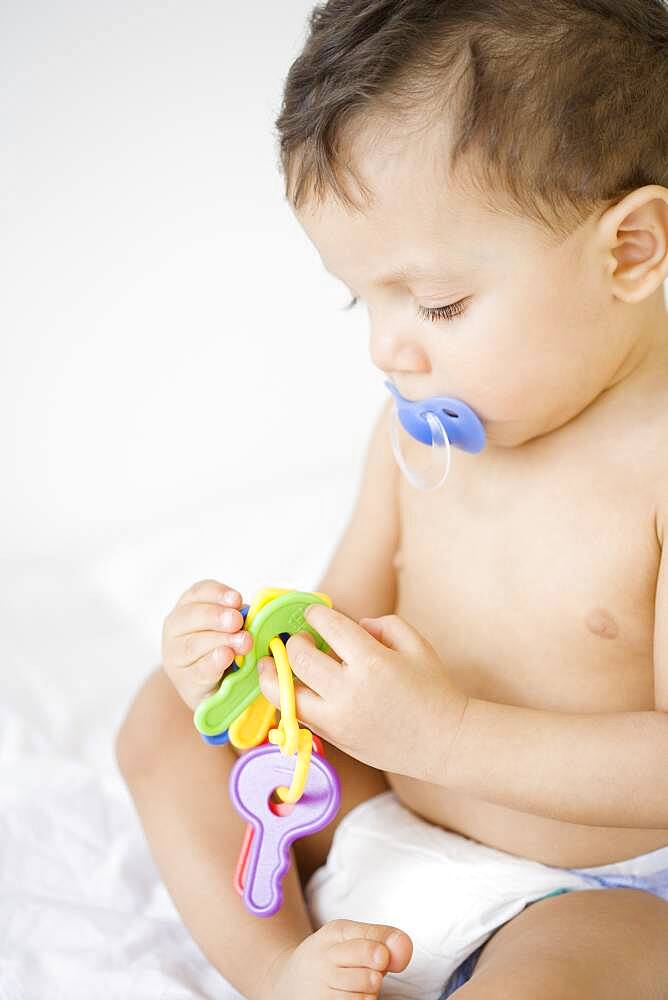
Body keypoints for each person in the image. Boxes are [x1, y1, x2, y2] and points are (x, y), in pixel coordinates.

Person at [115, 2, 668, 997]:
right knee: (161, 725)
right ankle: (282, 968)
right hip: (387, 809)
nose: (386, 350)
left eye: (439, 304)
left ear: (627, 251)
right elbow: (340, 628)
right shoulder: (413, 437)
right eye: (358, 298)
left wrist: (447, 735)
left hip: (597, 885)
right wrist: (247, 673)